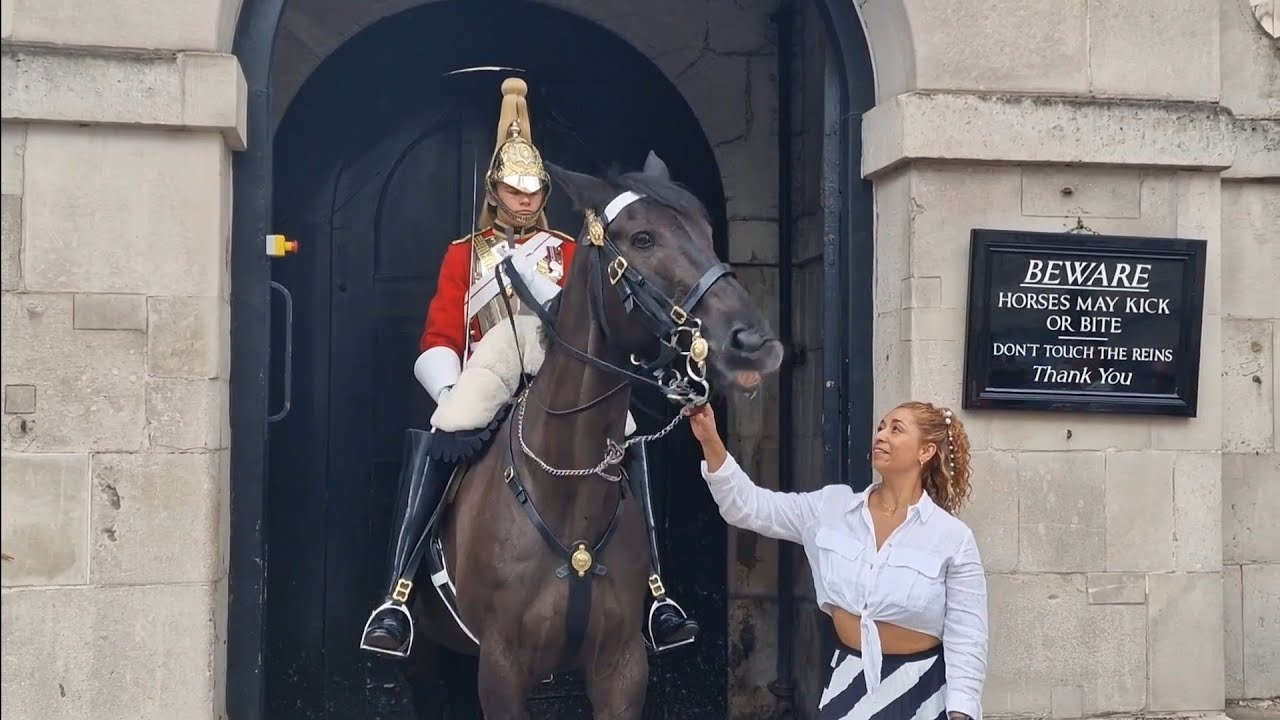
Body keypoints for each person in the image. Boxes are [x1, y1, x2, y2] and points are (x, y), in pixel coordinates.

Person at [359, 77, 698, 659]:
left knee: (632, 439)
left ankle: (657, 593)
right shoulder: (463, 255)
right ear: (495, 191)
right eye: (515, 191)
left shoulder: (569, 251)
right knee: (438, 439)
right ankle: (399, 593)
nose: (526, 200)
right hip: (483, 376)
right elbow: (439, 335)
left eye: (535, 190)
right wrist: (450, 391)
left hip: (559, 375)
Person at [686, 401, 988, 720]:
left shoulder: (952, 537)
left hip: (922, 691)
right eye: (881, 427)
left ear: (925, 452)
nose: (881, 435)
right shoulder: (831, 508)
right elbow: (747, 507)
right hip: (849, 684)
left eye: (896, 429)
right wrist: (710, 439)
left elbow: (968, 635)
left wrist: (961, 711)